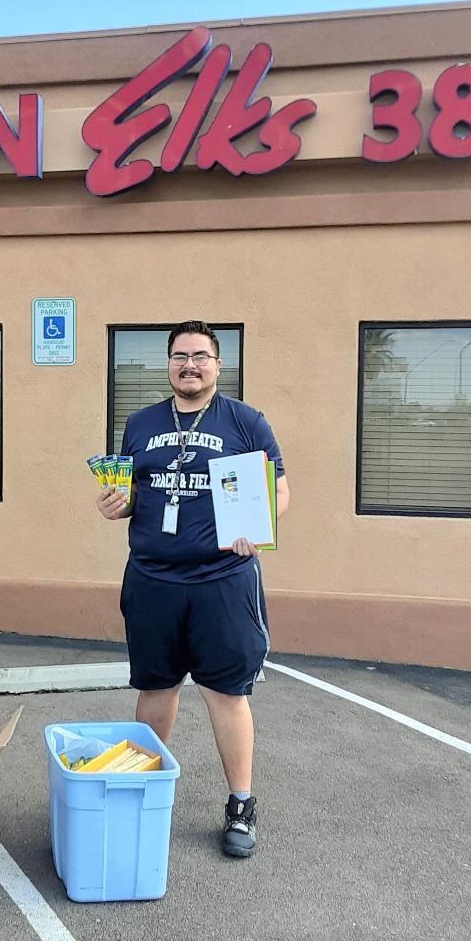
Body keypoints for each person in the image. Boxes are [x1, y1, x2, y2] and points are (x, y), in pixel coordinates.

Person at [96, 321, 289, 858]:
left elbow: (278, 486)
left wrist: (265, 524)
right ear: (168, 365)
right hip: (153, 579)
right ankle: (141, 793)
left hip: (221, 581)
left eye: (200, 356)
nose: (190, 365)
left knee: (227, 693)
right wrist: (118, 504)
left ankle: (241, 805)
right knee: (155, 688)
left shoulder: (246, 422)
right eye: (180, 356)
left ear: (218, 365)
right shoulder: (140, 424)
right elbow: (133, 491)